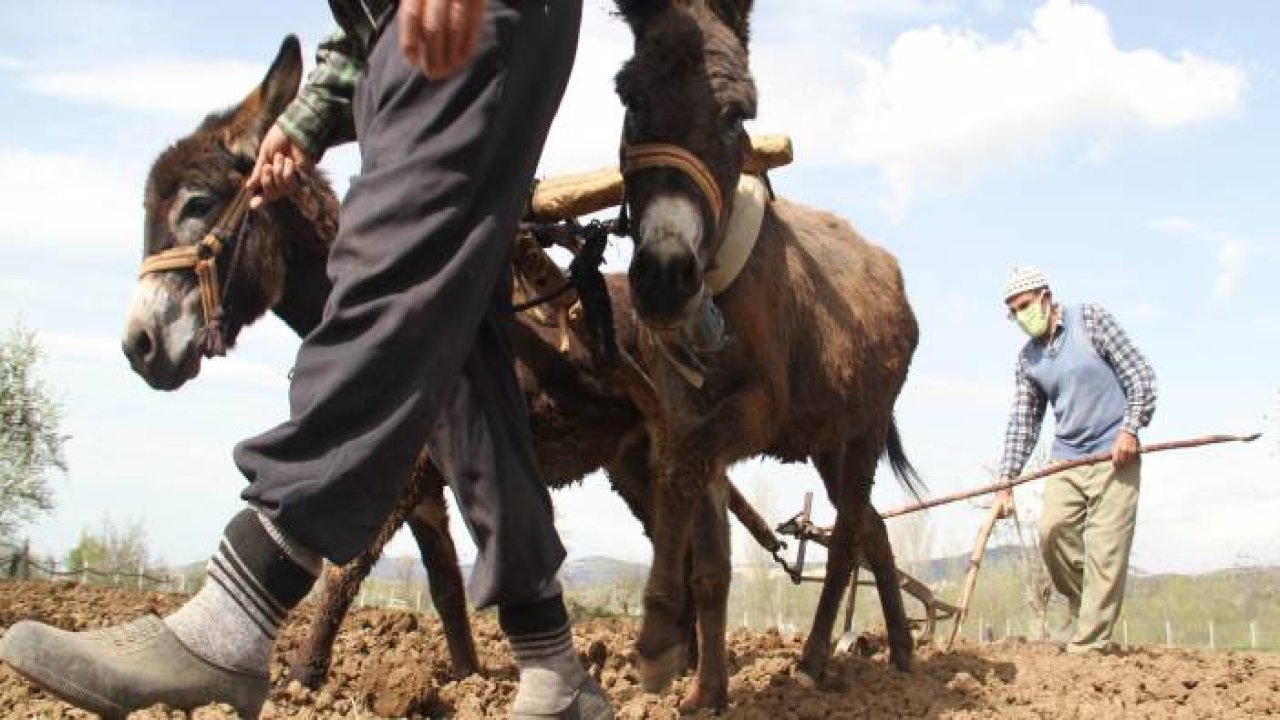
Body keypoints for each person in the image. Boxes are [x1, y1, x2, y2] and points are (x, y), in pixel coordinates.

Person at [0, 1, 611, 718]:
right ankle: (553, 668)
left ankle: (232, 622)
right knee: (463, 358)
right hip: (397, 37)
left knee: (390, 262)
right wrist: (308, 117)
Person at [993, 266, 1157, 655]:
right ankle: (1086, 606)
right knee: (1052, 532)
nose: (1021, 316)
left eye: (1024, 305)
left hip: (1114, 453)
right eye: (1013, 312)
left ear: (1046, 297)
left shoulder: (1091, 321)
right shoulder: (1028, 360)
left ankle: (1089, 644)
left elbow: (1141, 377)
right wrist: (1006, 481)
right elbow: (1023, 422)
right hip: (1067, 458)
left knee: (1105, 547)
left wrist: (1130, 429)